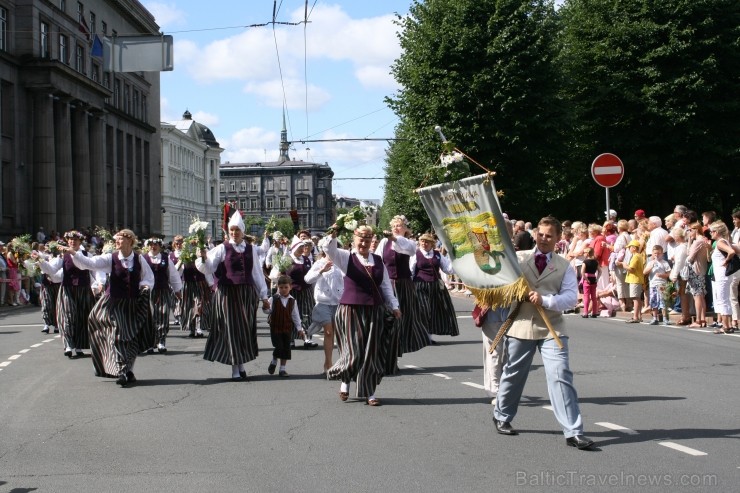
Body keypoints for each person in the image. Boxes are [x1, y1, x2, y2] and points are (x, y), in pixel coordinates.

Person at [493, 216, 594, 450]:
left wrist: (545, 299)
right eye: (541, 234)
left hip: (552, 327)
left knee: (560, 375)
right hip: (521, 324)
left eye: (550, 236)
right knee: (514, 374)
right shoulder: (518, 259)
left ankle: (573, 431)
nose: (544, 239)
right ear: (535, 234)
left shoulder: (565, 266)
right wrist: (512, 292)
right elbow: (500, 285)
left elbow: (570, 298)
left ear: (559, 238)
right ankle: (502, 415)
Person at [321, 225, 401, 406]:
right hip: (350, 310)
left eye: (367, 239)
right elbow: (327, 248)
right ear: (354, 238)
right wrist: (333, 233)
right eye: (360, 239)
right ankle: (345, 382)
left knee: (371, 352)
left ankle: (369, 392)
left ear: (372, 240)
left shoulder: (379, 261)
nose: (363, 243)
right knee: (353, 351)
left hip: (374, 311)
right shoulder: (345, 257)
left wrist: (394, 306)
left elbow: (386, 287)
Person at [70, 229, 154, 386]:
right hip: (113, 303)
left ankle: (128, 369)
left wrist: (145, 286)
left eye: (120, 239)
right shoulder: (111, 258)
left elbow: (149, 278)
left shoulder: (139, 259)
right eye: (117, 239)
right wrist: (75, 253)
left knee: (131, 338)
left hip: (132, 304)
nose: (117, 242)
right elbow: (91, 263)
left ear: (130, 241)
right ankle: (120, 371)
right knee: (117, 335)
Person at [196, 211, 270, 381]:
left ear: (243, 232)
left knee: (243, 330)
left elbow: (257, 273)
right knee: (230, 330)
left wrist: (264, 296)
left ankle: (240, 364)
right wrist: (202, 258)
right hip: (227, 293)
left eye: (237, 230)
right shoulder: (222, 248)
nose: (234, 233)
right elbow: (209, 268)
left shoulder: (250, 249)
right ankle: (235, 368)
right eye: (232, 230)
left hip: (246, 294)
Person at [375, 215, 430, 374]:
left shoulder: (409, 243)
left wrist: (394, 238)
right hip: (387, 284)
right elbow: (378, 260)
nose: (395, 228)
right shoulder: (384, 242)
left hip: (403, 285)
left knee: (400, 322)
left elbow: (409, 249)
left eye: (399, 225)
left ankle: (394, 357)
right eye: (394, 225)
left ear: (406, 229)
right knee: (385, 321)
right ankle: (384, 356)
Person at [36, 231, 95, 358]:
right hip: (67, 289)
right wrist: (40, 261)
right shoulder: (63, 256)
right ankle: (68, 345)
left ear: (80, 242)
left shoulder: (87, 255)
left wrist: (98, 284)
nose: (72, 242)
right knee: (67, 315)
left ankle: (79, 347)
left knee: (82, 316)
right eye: (70, 240)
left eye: (75, 240)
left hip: (84, 290)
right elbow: (51, 270)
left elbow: (94, 271)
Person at [411, 232, 459, 343]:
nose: (424, 243)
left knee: (433, 311)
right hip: (420, 285)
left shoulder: (437, 255)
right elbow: (411, 271)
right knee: (423, 310)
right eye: (422, 241)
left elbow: (448, 269)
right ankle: (422, 337)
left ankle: (428, 337)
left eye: (427, 242)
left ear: (432, 244)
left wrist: (456, 260)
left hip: (436, 286)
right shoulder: (415, 254)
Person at [304, 246, 344, 373]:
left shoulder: (343, 263)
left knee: (339, 334)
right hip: (323, 302)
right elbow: (308, 279)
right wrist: (321, 271)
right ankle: (329, 363)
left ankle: (343, 363)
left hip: (339, 303)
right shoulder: (319, 263)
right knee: (328, 332)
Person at [142, 238, 183, 353]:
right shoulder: (143, 259)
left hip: (163, 291)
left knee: (163, 315)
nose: (153, 247)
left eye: (155, 245)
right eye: (151, 245)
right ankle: (150, 343)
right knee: (149, 316)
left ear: (160, 246)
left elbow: (173, 275)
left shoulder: (166, 259)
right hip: (148, 292)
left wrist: (177, 290)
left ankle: (161, 340)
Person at [264, 275, 302, 377]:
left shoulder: (293, 300)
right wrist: (265, 307)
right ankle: (274, 361)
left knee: (286, 348)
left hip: (287, 327)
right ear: (278, 288)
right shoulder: (274, 299)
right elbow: (268, 311)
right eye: (281, 287)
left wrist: (299, 329)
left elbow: (295, 315)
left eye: (286, 287)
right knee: (279, 346)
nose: (283, 289)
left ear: (290, 287)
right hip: (275, 327)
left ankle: (282, 369)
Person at [286, 239, 318, 348]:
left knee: (307, 314)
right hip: (292, 291)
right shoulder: (287, 259)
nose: (302, 249)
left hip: (306, 290)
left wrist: (314, 291)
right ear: (294, 248)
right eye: (300, 247)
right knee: (291, 314)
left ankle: (307, 338)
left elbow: (311, 277)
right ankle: (290, 339)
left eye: (302, 247)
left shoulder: (306, 260)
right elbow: (279, 275)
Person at [708, 221, 737, 334]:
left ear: (716, 232)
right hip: (724, 275)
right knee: (725, 299)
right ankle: (728, 325)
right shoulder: (725, 241)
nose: (710, 234)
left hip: (722, 275)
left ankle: (726, 326)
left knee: (722, 300)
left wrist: (726, 261)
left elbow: (732, 252)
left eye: (711, 231)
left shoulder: (720, 242)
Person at [686, 222, 709, 327]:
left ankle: (698, 320)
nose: (688, 232)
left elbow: (689, 257)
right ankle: (703, 319)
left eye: (690, 230)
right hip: (701, 270)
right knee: (701, 295)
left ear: (695, 229)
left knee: (697, 296)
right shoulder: (701, 240)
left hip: (696, 271)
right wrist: (690, 240)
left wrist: (691, 242)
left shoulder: (698, 242)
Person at [668, 227, 692, 326]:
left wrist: (674, 275)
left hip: (682, 273)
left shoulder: (681, 247)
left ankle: (685, 315)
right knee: (682, 294)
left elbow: (679, 262)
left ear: (678, 236)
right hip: (682, 272)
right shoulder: (683, 246)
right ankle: (685, 314)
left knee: (683, 294)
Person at [643, 245, 671, 325]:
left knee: (663, 302)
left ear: (662, 254)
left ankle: (665, 318)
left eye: (658, 253)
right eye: (655, 253)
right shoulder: (650, 263)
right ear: (652, 253)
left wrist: (662, 275)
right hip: (653, 285)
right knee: (653, 301)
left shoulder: (664, 263)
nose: (656, 255)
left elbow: (669, 273)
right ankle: (655, 318)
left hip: (662, 285)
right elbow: (644, 272)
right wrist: (651, 266)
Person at [621, 240, 645, 323]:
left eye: (630, 247)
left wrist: (624, 265)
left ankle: (635, 317)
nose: (629, 249)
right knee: (637, 298)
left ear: (634, 248)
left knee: (635, 298)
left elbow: (631, 269)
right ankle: (638, 316)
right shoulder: (639, 256)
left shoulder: (636, 256)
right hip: (636, 279)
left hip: (635, 279)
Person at [581, 247, 599, 318]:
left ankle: (585, 312)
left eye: (585, 252)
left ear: (587, 253)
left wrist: (586, 279)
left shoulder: (585, 262)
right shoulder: (596, 262)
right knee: (593, 296)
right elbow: (600, 271)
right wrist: (597, 278)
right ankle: (594, 312)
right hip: (593, 278)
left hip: (587, 279)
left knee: (586, 296)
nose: (584, 254)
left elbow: (582, 272)